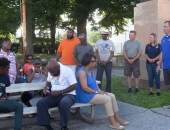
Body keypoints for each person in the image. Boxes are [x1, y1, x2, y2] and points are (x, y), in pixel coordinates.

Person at [76, 53, 129, 130]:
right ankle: (112, 123)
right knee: (106, 99)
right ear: (87, 62)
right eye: (93, 61)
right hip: (84, 95)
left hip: (92, 93)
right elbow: (84, 88)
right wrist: (97, 92)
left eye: (95, 60)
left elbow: (94, 83)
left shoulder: (91, 70)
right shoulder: (82, 72)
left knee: (112, 95)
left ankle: (117, 118)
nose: (95, 62)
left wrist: (100, 90)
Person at [36, 60, 77, 130]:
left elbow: (74, 86)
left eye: (53, 72)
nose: (52, 74)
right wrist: (46, 88)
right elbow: (48, 82)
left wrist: (60, 92)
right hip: (55, 95)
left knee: (64, 103)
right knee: (40, 103)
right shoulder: (51, 71)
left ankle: (63, 126)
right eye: (50, 72)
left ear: (58, 67)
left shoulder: (67, 70)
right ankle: (47, 126)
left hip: (68, 95)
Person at [0, 57, 23, 130]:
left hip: (2, 103)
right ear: (0, 69)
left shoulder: (5, 76)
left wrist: (6, 97)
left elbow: (4, 88)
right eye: (6, 70)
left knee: (19, 106)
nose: (8, 71)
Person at [156, 21, 170, 109]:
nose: (163, 28)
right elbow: (162, 53)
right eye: (163, 26)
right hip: (166, 66)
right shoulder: (163, 39)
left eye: (165, 26)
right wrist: (159, 65)